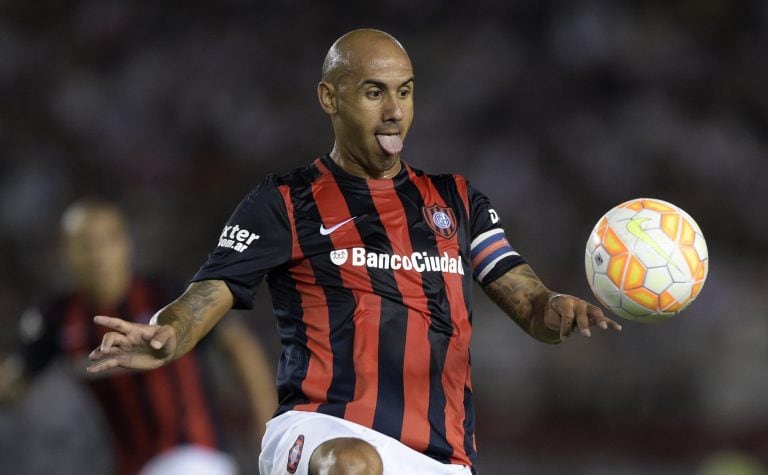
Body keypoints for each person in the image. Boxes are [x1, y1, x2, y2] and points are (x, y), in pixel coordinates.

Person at [86, 29, 622, 475]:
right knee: (351, 465)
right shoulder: (284, 201)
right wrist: (170, 331)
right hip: (322, 430)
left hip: (441, 456)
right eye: (374, 93)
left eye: (405, 92)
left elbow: (528, 303)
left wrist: (558, 309)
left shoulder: (457, 201)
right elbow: (213, 288)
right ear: (330, 98)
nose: (394, 112)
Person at [0, 199, 278, 475]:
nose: (98, 254)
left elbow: (238, 344)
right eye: (85, 244)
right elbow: (16, 378)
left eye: (107, 240)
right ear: (65, 253)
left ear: (126, 244)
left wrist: (266, 422)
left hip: (192, 454)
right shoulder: (57, 318)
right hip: (128, 464)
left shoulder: (166, 295)